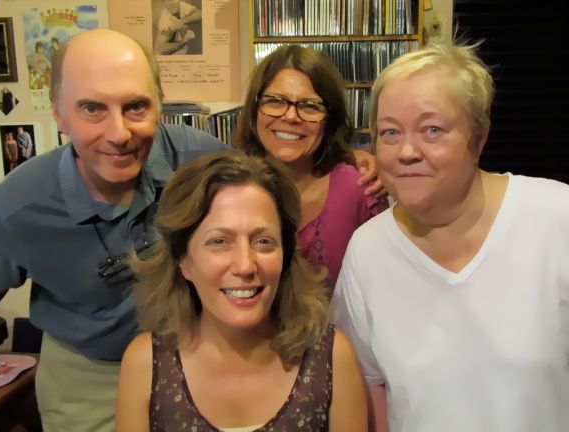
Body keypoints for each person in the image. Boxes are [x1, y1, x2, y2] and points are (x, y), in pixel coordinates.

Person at [0, 29, 227, 432]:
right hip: (90, 376)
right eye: (92, 108)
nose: (119, 134)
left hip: (196, 357)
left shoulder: (203, 161)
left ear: (159, 104)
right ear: (59, 114)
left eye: (136, 106)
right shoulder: (15, 208)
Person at [332, 42, 569, 432]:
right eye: (390, 132)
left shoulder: (555, 218)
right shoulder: (368, 250)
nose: (407, 151)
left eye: (432, 130)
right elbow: (369, 383)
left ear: (478, 139)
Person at [116, 150, 368, 431]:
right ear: (183, 260)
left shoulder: (332, 357)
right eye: (219, 242)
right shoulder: (145, 364)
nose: (246, 265)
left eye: (263, 241)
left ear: (285, 255)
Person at [237, 45, 387, 292]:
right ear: (254, 111)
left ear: (329, 120)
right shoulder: (228, 189)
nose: (290, 116)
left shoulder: (359, 190)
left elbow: (381, 287)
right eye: (275, 101)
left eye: (310, 106)